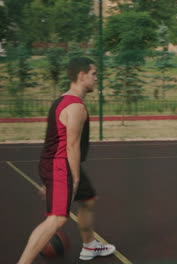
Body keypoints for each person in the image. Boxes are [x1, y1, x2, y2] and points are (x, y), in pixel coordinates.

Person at [18, 57, 116, 263]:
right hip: (63, 166)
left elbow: (54, 141)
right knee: (57, 219)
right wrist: (74, 179)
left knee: (88, 200)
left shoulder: (62, 100)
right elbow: (71, 146)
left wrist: (50, 179)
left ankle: (89, 246)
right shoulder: (75, 107)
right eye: (94, 74)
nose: (96, 79)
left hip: (57, 164)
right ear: (82, 76)